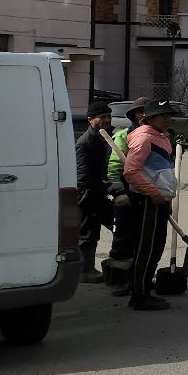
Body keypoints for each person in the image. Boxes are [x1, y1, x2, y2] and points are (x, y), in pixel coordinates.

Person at [120, 101, 182, 311]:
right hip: (148, 202)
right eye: (162, 115)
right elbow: (131, 172)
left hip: (159, 201)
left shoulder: (162, 137)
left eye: (169, 115)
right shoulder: (144, 138)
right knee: (146, 248)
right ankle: (139, 295)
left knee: (156, 246)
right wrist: (154, 193)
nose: (167, 118)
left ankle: (144, 286)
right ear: (150, 118)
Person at [102, 100, 145, 291]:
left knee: (142, 238)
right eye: (140, 112)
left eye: (147, 112)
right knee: (123, 239)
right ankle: (118, 280)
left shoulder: (160, 136)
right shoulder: (123, 136)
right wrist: (119, 192)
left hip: (147, 196)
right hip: (126, 197)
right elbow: (113, 169)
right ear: (133, 115)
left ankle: (137, 277)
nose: (144, 116)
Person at [74, 102, 114, 283]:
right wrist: (88, 195)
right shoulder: (85, 142)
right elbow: (83, 174)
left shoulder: (106, 136)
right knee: (88, 233)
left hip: (102, 192)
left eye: (108, 116)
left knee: (117, 225)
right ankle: (85, 270)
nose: (106, 120)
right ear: (91, 120)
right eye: (102, 117)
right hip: (89, 195)